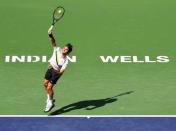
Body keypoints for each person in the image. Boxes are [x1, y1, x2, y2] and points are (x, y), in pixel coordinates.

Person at [43, 25, 73, 112]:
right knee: (45, 84)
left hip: (56, 73)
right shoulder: (58, 49)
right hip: (50, 69)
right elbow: (53, 42)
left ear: (68, 52)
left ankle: (50, 102)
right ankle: (49, 97)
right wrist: (50, 34)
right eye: (64, 48)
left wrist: (56, 71)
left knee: (49, 87)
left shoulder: (66, 61)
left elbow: (61, 73)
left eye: (66, 49)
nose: (64, 49)